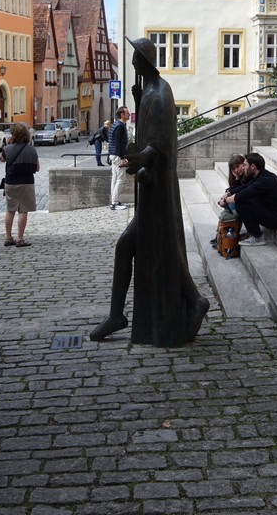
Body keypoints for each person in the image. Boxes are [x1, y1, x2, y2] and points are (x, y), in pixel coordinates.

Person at [90, 37, 209, 346]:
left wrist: (138, 159)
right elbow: (152, 138)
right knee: (152, 247)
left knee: (149, 247)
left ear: (143, 60)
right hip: (154, 188)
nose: (130, 63)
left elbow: (158, 147)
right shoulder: (151, 93)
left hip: (157, 188)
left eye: (134, 59)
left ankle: (193, 300)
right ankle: (188, 300)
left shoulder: (158, 95)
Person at [216, 153, 277, 247]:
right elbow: (246, 187)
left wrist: (225, 201)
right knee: (244, 200)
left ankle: (257, 237)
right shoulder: (262, 175)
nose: (243, 167)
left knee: (241, 203)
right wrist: (228, 193)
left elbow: (242, 195)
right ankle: (252, 232)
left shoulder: (264, 180)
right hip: (274, 214)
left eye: (245, 165)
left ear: (253, 166)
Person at [0, 123, 39, 246]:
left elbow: (1, 159)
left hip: (11, 182)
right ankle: (20, 239)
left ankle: (8, 237)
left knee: (10, 210)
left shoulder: (8, 149)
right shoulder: (31, 149)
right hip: (26, 182)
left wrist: (8, 145)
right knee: (23, 210)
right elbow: (37, 168)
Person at [107, 107, 130, 210]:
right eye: (127, 113)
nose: (129, 114)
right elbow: (118, 143)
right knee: (121, 179)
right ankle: (114, 203)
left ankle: (114, 201)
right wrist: (122, 157)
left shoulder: (116, 125)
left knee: (115, 179)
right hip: (117, 155)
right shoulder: (120, 126)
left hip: (113, 154)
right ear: (122, 114)